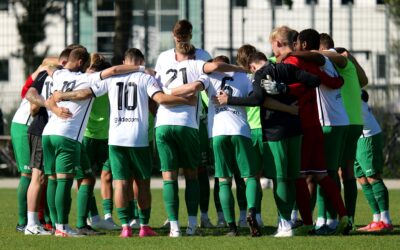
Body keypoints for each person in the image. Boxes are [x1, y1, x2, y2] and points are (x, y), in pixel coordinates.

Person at [50, 48, 197, 238]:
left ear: (124, 61)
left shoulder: (111, 79)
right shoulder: (145, 78)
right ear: (140, 61)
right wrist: (186, 99)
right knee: (142, 182)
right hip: (138, 138)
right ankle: (144, 226)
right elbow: (160, 99)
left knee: (120, 183)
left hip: (116, 137)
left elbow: (85, 93)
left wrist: (62, 95)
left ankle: (126, 227)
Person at [214, 53, 321, 237]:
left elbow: (257, 99)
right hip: (296, 127)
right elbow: (314, 81)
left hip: (273, 130)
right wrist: (286, 89)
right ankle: (296, 219)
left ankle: (283, 224)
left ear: (252, 66)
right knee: (293, 176)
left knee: (276, 177)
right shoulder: (287, 68)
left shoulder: (259, 74)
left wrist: (229, 100)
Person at [276, 28, 349, 235]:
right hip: (316, 126)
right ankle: (344, 216)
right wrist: (340, 81)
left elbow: (290, 87)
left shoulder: (292, 62)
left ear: (303, 45)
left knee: (299, 176)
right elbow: (333, 82)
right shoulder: (315, 64)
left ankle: (307, 223)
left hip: (301, 127)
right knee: (322, 176)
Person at [154, 19, 213, 229]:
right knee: (194, 172)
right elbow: (207, 83)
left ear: (174, 35)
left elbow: (156, 89)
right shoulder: (202, 58)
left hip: (163, 121)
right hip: (190, 123)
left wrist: (168, 94)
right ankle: (194, 222)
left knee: (169, 176)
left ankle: (174, 226)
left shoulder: (162, 57)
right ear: (191, 34)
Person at [23, 47, 77, 235]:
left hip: (47, 130)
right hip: (41, 129)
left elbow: (31, 98)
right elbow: (29, 96)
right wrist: (49, 105)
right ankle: (31, 224)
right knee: (38, 177)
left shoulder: (55, 74)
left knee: (45, 177)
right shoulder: (52, 74)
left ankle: (49, 224)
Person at [319, 33, 367, 227]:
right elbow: (363, 81)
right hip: (355, 120)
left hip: (341, 122)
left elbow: (338, 57)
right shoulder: (345, 64)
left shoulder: (335, 59)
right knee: (345, 170)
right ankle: (349, 218)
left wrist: (319, 53)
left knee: (328, 169)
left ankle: (330, 219)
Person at [355, 90, 393, 232]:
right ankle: (377, 219)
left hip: (368, 136)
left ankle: (386, 220)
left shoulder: (348, 86)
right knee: (362, 178)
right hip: (356, 138)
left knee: (373, 177)